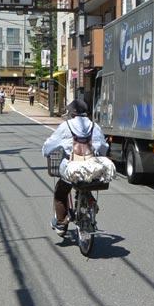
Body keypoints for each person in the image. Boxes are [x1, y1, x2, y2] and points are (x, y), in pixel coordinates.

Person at [42, 99, 108, 233]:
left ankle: (61, 223)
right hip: (91, 167)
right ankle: (90, 202)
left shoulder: (66, 126)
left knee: (61, 191)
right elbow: (103, 147)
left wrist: (46, 152)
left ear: (72, 113)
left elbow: (50, 145)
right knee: (88, 182)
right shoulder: (95, 126)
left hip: (72, 166)